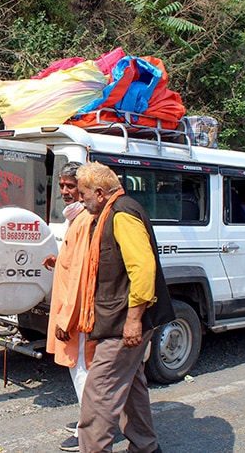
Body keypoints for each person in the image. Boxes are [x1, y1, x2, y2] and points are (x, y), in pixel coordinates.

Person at [75, 162, 175, 453]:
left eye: (83, 194)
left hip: (123, 321)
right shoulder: (112, 212)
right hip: (118, 316)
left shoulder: (122, 214)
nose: (80, 199)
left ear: (101, 193)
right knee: (131, 386)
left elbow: (143, 269)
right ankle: (146, 447)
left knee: (99, 391)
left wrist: (134, 320)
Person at [42, 162, 95, 452]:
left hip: (76, 311)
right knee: (81, 368)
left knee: (81, 368)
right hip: (70, 306)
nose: (64, 191)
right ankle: (92, 421)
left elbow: (82, 273)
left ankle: (90, 430)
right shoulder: (76, 218)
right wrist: (58, 260)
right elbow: (73, 262)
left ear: (83, 188)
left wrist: (67, 318)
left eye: (70, 186)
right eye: (61, 185)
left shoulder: (85, 220)